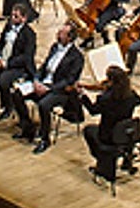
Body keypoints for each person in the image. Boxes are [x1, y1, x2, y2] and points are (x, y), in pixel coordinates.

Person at [12, 23, 85, 153]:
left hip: (60, 91)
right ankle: (28, 128)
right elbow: (44, 67)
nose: (58, 34)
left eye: (61, 33)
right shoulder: (54, 47)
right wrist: (36, 80)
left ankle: (45, 139)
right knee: (17, 94)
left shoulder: (77, 57)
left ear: (69, 38)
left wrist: (49, 89)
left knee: (44, 105)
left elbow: (69, 80)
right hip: (43, 83)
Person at [75, 65, 140, 183]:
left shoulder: (106, 99)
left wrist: (82, 95)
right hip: (127, 134)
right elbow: (139, 100)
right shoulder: (130, 94)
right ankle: (126, 162)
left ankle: (103, 161)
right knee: (125, 129)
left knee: (88, 130)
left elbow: (93, 110)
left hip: (109, 136)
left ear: (111, 81)